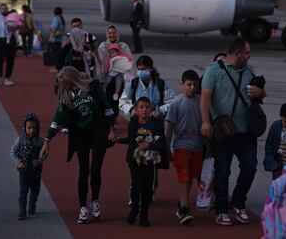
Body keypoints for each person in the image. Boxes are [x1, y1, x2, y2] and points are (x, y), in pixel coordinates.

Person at [200, 37, 266, 226]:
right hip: (223, 131)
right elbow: (205, 99)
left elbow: (261, 93)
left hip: (246, 131)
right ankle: (221, 209)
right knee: (223, 171)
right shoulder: (213, 70)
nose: (249, 55)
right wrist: (206, 122)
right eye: (247, 52)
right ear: (237, 54)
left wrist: (260, 93)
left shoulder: (249, 71)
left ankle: (238, 202)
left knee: (250, 167)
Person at [39, 66, 118, 224]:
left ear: (74, 79)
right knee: (84, 171)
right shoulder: (66, 95)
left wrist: (112, 129)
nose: (64, 87)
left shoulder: (93, 87)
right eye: (62, 84)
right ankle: (83, 207)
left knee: (95, 170)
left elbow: (107, 107)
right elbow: (58, 119)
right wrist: (47, 140)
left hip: (98, 132)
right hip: (81, 135)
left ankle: (95, 201)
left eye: (66, 84)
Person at [117, 97, 169, 227]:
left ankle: (144, 214)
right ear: (136, 109)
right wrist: (118, 140)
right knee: (135, 186)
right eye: (141, 107)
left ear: (151, 109)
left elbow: (161, 142)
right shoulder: (134, 123)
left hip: (150, 161)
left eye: (147, 107)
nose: (144, 110)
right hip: (135, 160)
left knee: (147, 189)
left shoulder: (155, 124)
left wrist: (149, 145)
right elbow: (131, 139)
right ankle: (134, 209)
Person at [165, 70, 203, 225]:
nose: (192, 88)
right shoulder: (176, 103)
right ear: (182, 85)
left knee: (191, 178)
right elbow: (169, 127)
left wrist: (208, 147)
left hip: (197, 146)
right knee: (183, 175)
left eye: (195, 85)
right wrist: (167, 149)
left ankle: (182, 204)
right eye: (189, 84)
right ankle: (185, 209)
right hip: (181, 145)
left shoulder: (201, 101)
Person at [10, 113, 48, 220]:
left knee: (35, 190)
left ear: (38, 128)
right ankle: (22, 211)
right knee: (23, 191)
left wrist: (40, 161)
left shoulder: (41, 142)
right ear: (24, 128)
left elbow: (46, 153)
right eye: (29, 128)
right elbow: (12, 152)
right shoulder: (20, 140)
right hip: (24, 170)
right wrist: (18, 162)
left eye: (34, 128)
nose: (32, 130)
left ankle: (32, 205)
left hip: (36, 171)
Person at [98, 25, 133, 115]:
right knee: (106, 99)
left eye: (113, 33)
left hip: (119, 78)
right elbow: (99, 64)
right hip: (106, 78)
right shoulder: (103, 46)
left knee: (116, 100)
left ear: (116, 34)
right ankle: (108, 120)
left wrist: (128, 80)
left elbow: (129, 63)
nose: (112, 35)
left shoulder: (123, 46)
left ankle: (114, 119)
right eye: (109, 33)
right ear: (107, 34)